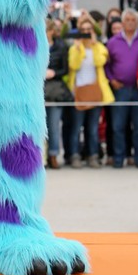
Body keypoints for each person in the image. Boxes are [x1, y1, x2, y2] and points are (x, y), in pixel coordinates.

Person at [66, 18, 114, 168]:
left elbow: (100, 62)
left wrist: (93, 46)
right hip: (78, 92)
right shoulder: (74, 48)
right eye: (84, 30)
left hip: (95, 92)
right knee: (76, 127)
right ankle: (75, 155)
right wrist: (80, 48)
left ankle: (92, 155)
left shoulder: (99, 47)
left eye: (89, 30)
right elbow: (73, 65)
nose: (86, 32)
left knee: (92, 128)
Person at [106, 8, 138, 168]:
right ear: (122, 22)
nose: (130, 22)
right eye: (127, 19)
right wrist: (111, 79)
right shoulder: (113, 41)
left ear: (137, 22)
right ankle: (118, 158)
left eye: (133, 19)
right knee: (118, 126)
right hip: (120, 89)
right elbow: (106, 65)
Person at [44, 18, 69, 169]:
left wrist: (53, 73)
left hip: (55, 91)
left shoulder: (61, 47)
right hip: (37, 90)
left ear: (52, 31)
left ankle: (53, 154)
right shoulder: (35, 45)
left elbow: (65, 69)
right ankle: (40, 158)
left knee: (53, 125)